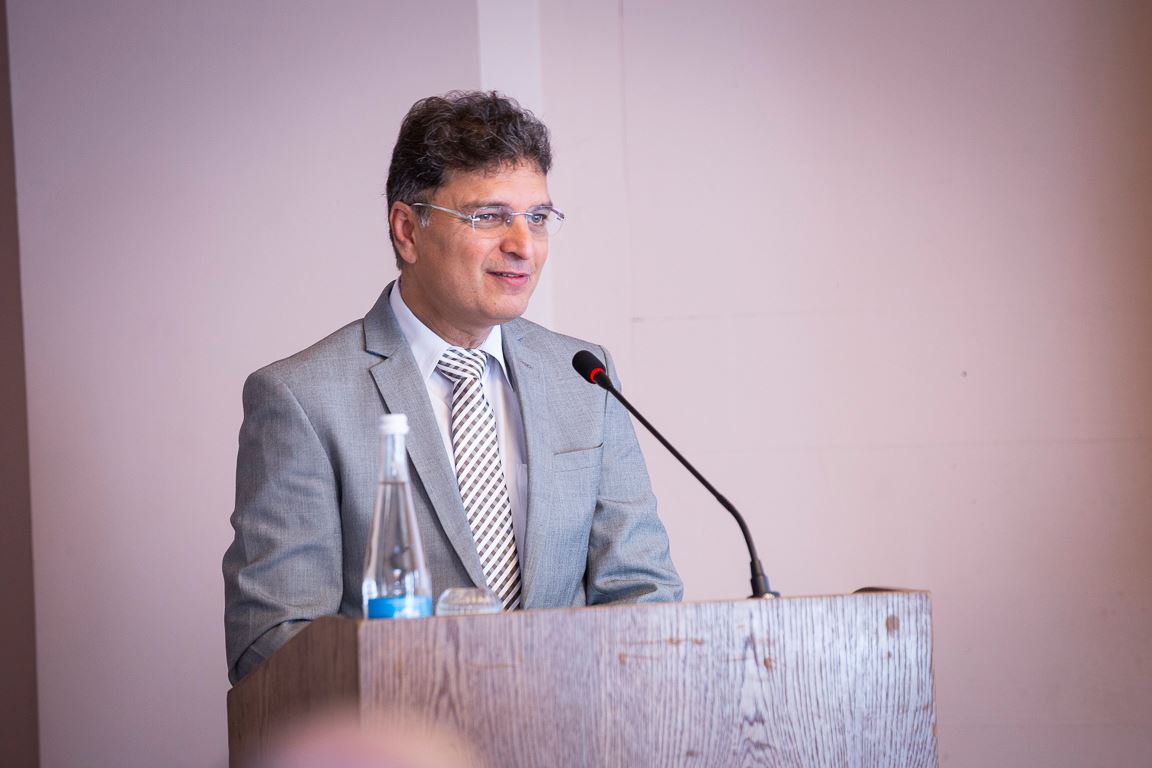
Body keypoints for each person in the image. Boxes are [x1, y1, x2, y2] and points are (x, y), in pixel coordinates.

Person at [222, 91, 681, 684]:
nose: (523, 245)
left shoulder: (584, 376)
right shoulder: (303, 399)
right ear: (407, 231)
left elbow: (642, 592)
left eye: (538, 218)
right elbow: (272, 645)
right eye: (488, 217)